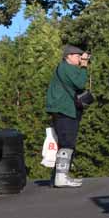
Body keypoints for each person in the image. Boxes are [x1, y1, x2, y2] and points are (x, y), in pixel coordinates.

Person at [45, 44, 90, 188]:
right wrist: (84, 65)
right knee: (67, 143)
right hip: (64, 110)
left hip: (64, 110)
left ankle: (58, 177)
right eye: (77, 56)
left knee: (66, 143)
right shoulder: (66, 68)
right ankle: (61, 178)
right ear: (68, 56)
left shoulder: (66, 68)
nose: (80, 58)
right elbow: (80, 83)